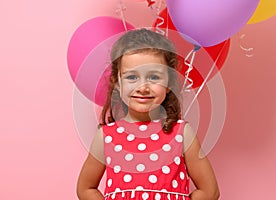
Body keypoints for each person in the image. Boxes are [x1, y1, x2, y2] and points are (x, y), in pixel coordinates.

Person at [76, 28, 220, 200]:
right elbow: (86, 188)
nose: (143, 88)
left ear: (169, 84)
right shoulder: (106, 137)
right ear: (117, 82)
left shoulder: (181, 134)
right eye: (131, 77)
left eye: (153, 77)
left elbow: (210, 192)